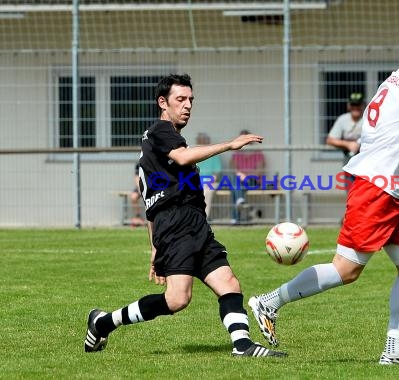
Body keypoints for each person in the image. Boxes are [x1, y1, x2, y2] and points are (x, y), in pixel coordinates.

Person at [248, 26, 399, 365]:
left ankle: (392, 350)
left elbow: (383, 136)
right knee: (346, 270)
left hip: (392, 190)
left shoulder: (392, 79)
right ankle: (270, 301)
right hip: (376, 192)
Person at [84, 74, 285, 358]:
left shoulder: (161, 145)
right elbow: (181, 159)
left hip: (192, 223)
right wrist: (229, 144)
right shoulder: (160, 131)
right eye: (181, 99)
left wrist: (155, 246)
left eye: (191, 99)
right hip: (177, 225)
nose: (188, 105)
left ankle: (243, 345)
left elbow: (150, 200)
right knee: (178, 299)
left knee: (228, 282)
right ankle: (103, 322)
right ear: (162, 103)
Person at [327, 92, 365, 190]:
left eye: (358, 105)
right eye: (353, 105)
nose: (355, 108)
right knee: (351, 192)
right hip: (349, 162)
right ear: (349, 106)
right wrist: (348, 144)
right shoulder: (342, 120)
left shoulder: (368, 119)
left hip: (366, 164)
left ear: (363, 106)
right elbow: (330, 140)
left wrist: (359, 145)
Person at [230, 129, 266, 224]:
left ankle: (236, 218)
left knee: (235, 187)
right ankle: (241, 201)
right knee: (235, 182)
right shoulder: (236, 153)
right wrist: (241, 175)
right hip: (240, 180)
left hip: (253, 181)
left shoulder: (258, 153)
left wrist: (247, 176)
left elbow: (259, 170)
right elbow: (234, 169)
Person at [195, 132, 222, 220]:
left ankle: (203, 218)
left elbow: (217, 173)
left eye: (204, 141)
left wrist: (208, 181)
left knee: (207, 191)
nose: (201, 143)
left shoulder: (213, 155)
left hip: (210, 181)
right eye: (200, 141)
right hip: (197, 180)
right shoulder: (194, 153)